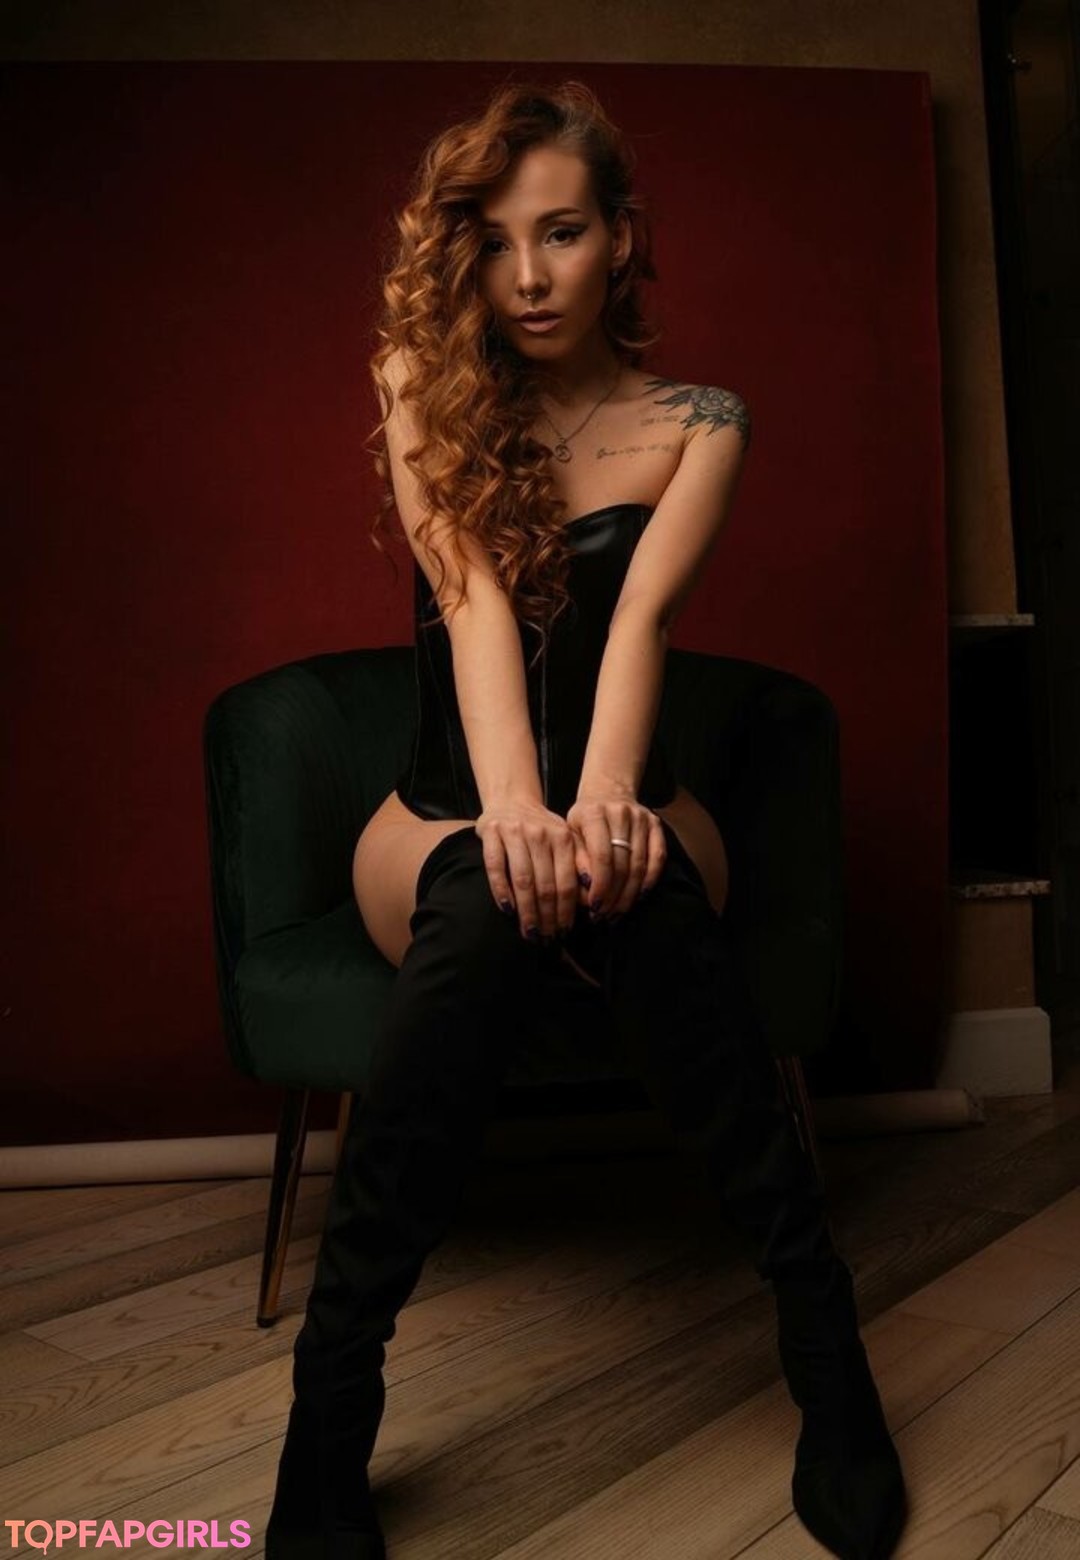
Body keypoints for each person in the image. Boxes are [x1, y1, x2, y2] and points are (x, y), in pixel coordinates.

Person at [265, 78, 909, 1560]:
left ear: (622, 235)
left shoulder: (701, 422)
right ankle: (330, 1410)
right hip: (439, 818)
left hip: (642, 796)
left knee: (646, 892)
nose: (529, 276)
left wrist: (603, 807)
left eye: (561, 232)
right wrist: (516, 816)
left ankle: (831, 1370)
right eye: (495, 242)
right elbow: (474, 603)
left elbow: (640, 627)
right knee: (489, 897)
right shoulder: (422, 381)